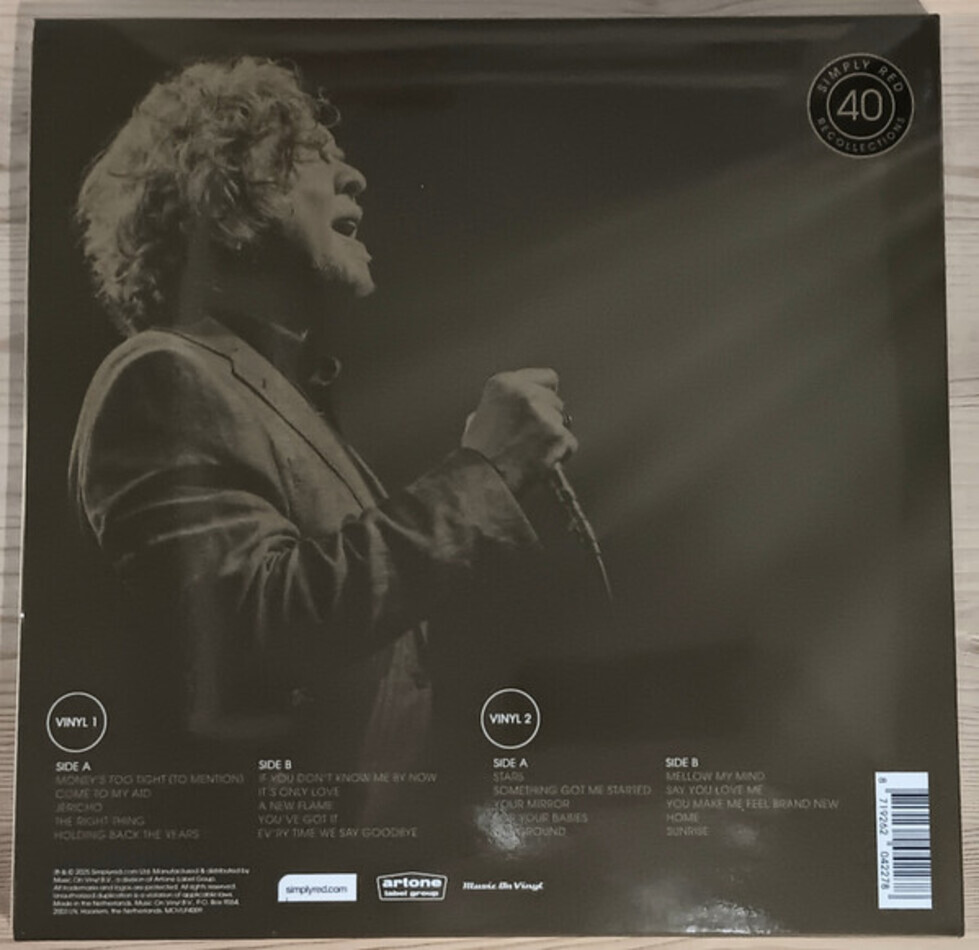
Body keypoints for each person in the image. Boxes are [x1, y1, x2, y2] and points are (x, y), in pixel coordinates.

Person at [69, 57, 576, 811]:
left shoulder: (282, 399)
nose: (356, 178)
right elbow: (253, 628)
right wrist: (482, 474)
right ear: (223, 201)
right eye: (311, 156)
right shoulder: (162, 372)